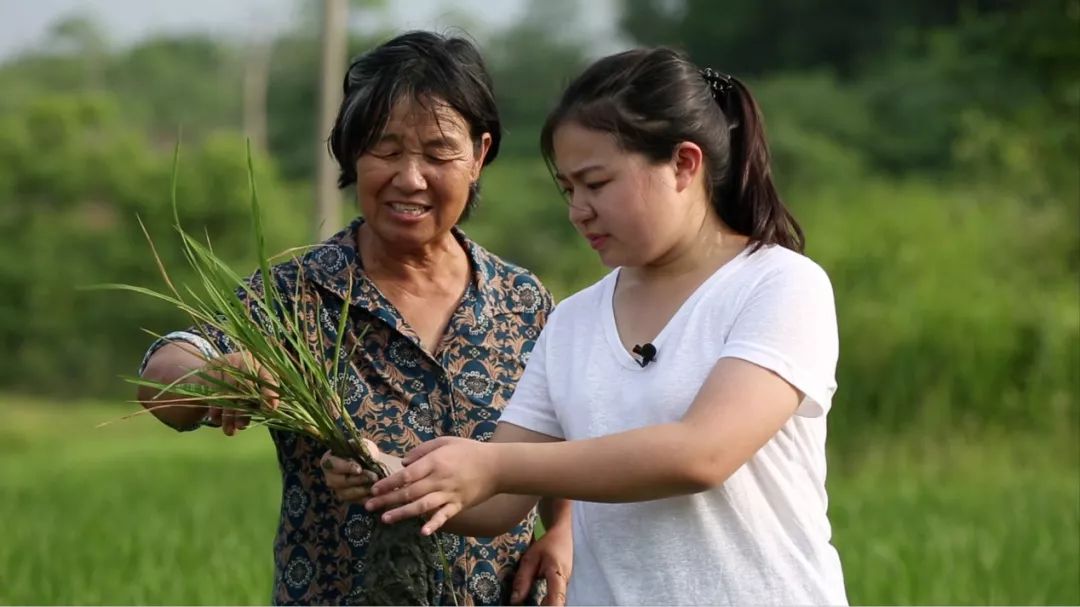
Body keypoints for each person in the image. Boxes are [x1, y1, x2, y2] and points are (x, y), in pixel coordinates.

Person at [325, 47, 848, 605]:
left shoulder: (779, 284)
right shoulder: (573, 320)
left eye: (596, 184)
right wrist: (392, 474)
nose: (578, 211)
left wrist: (493, 463)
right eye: (568, 190)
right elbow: (499, 503)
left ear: (684, 165)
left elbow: (703, 454)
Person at [136, 31, 572, 606]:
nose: (410, 178)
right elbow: (164, 373)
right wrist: (214, 376)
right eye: (386, 151)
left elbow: (558, 428)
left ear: (480, 154)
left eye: (439, 153)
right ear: (351, 153)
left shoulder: (521, 300)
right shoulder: (296, 295)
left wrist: (562, 529)